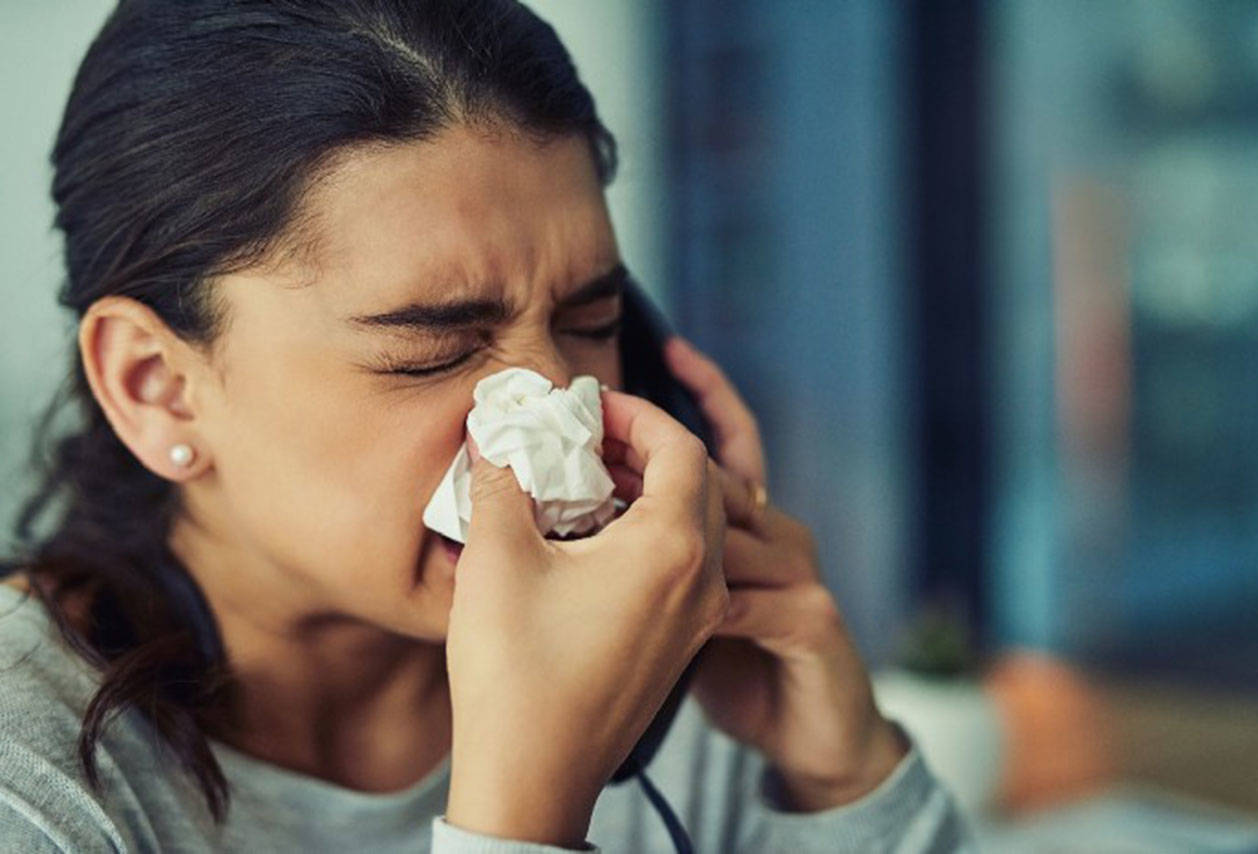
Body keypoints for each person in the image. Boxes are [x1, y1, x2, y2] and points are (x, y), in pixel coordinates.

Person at [0, 1, 972, 850]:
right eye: (434, 350)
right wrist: (523, 811)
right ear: (155, 386)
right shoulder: (26, 777)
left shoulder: (677, 661)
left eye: (589, 324)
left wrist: (842, 778)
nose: (560, 421)